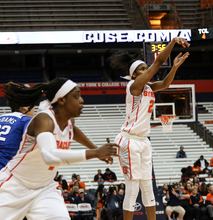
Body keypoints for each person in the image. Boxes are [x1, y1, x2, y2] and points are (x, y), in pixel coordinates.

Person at [0, 78, 119, 220]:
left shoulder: (68, 121)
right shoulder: (44, 119)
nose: (81, 100)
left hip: (45, 189)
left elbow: (72, 130)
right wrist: (94, 153)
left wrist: (96, 149)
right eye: (76, 96)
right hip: (15, 186)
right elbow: (49, 156)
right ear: (61, 100)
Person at [109, 37, 190, 220]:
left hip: (144, 140)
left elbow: (166, 84)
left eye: (147, 67)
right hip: (129, 140)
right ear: (134, 75)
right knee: (132, 187)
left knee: (148, 184)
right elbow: (159, 61)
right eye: (142, 69)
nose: (147, 70)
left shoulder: (148, 87)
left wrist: (174, 67)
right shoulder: (133, 86)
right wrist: (173, 42)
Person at [0, 83, 34, 170]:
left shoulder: (1, 117)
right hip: (6, 171)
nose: (34, 108)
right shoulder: (26, 120)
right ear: (25, 107)